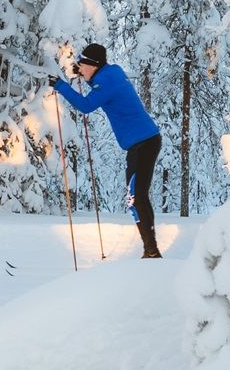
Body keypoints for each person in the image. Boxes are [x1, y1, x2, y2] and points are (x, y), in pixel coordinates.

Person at [50, 42, 163, 258]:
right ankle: (151, 249)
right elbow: (101, 84)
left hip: (144, 144)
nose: (79, 68)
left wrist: (61, 86)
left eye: (82, 65)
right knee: (137, 197)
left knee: (136, 198)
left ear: (93, 65)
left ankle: (151, 251)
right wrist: (83, 75)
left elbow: (86, 105)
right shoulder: (112, 73)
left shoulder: (107, 82)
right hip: (142, 143)